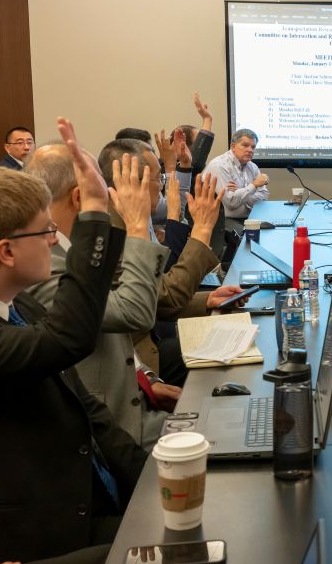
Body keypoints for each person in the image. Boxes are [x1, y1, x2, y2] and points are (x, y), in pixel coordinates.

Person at [0, 118, 146, 564]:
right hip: (25, 545)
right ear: (6, 252)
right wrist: (95, 207)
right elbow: (68, 339)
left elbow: (89, 411)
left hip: (84, 504)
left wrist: (155, 477)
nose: (56, 240)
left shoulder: (20, 304)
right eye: (45, 232)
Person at [25, 144, 178, 451]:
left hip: (135, 403)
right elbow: (134, 312)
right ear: (80, 196)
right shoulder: (41, 266)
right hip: (112, 434)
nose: (110, 196)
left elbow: (112, 335)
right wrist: (137, 226)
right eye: (101, 187)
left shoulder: (75, 246)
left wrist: (148, 380)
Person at [97, 138, 246, 385]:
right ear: (138, 181)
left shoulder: (124, 219)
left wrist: (206, 299)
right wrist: (202, 230)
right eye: (160, 179)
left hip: (149, 340)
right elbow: (168, 295)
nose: (163, 188)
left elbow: (155, 295)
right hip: (136, 361)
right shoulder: (113, 231)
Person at [203, 128, 269, 226]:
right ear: (233, 146)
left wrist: (241, 192)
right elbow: (231, 203)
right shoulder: (219, 165)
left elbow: (264, 196)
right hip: (222, 223)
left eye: (253, 147)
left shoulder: (252, 166)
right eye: (245, 145)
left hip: (249, 219)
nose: (250, 150)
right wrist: (254, 185)